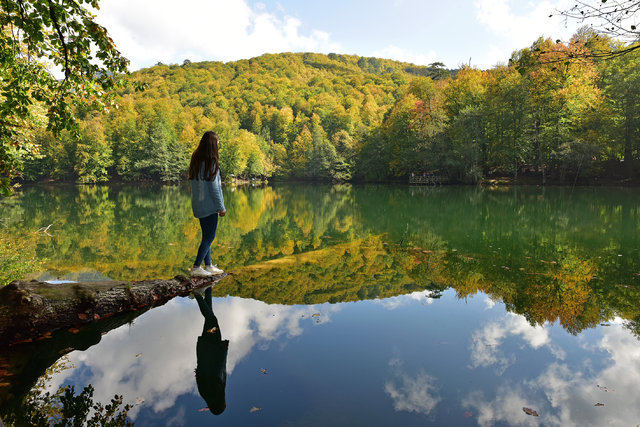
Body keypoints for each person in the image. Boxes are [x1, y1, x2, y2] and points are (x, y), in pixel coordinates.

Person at [188, 131, 226, 277]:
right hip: (210, 206)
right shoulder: (211, 162)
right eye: (217, 142)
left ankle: (208, 265)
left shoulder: (196, 160)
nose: (218, 145)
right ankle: (197, 267)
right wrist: (220, 207)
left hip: (198, 205)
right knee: (209, 237)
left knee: (206, 236)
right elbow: (214, 188)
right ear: (212, 145)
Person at [193, 286, 229, 415]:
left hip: (213, 346)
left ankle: (197, 294)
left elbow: (218, 367)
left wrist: (223, 349)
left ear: (220, 403)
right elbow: (200, 371)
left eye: (224, 404)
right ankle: (208, 288)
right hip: (206, 348)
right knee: (210, 316)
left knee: (211, 319)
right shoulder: (204, 392)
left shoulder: (216, 389)